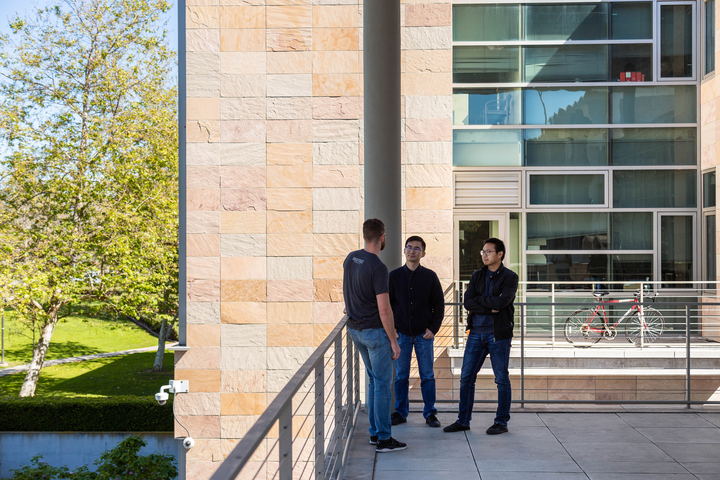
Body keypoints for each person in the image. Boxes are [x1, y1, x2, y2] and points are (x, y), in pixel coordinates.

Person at [343, 218, 406, 453]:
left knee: (372, 380)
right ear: (382, 237)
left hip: (355, 330)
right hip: (374, 333)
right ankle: (383, 438)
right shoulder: (378, 267)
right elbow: (384, 309)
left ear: (364, 235)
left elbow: (350, 290)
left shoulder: (352, 258)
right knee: (382, 384)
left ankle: (374, 433)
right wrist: (393, 340)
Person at [444, 238, 518, 435]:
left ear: (500, 254)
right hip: (475, 334)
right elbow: (468, 302)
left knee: (501, 379)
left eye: (488, 251)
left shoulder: (510, 277)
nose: (484, 255)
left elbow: (502, 303)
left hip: (498, 335)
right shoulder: (477, 275)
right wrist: (488, 305)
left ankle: (501, 422)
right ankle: (463, 421)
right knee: (466, 378)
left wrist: (481, 301)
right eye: (482, 251)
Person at [389, 236, 445, 428]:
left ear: (423, 253)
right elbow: (387, 306)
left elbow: (439, 304)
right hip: (401, 335)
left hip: (424, 334)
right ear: (404, 251)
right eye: (409, 247)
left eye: (417, 248)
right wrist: (392, 330)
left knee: (427, 375)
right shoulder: (394, 276)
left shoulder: (430, 277)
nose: (412, 251)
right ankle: (401, 413)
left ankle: (430, 413)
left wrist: (433, 328)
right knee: (401, 376)